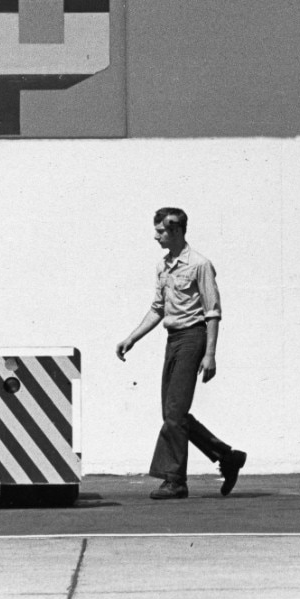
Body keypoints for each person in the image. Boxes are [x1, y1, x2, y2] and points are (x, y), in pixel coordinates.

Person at [116, 207, 247, 500]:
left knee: (174, 414)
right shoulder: (164, 267)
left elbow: (213, 312)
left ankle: (175, 481)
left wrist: (210, 354)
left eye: (161, 231)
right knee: (173, 413)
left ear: (176, 230)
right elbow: (158, 308)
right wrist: (132, 338)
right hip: (173, 339)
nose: (156, 236)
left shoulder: (200, 265)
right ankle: (227, 457)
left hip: (193, 338)